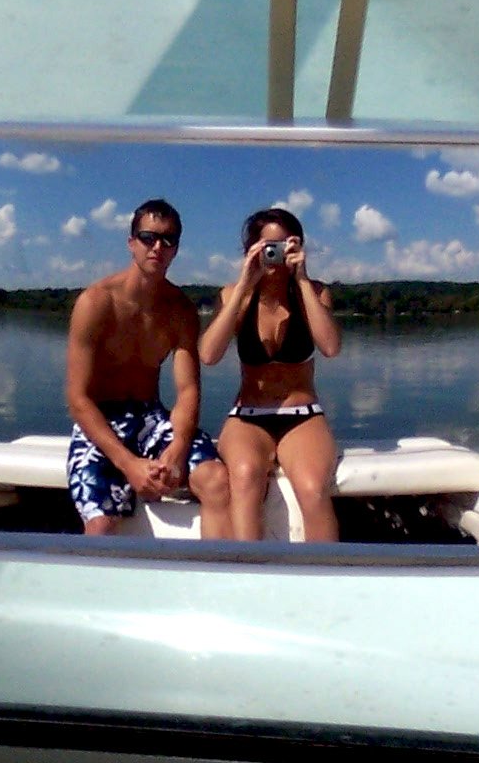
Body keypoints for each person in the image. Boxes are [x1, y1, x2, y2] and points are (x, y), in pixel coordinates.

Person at [64, 200, 234, 539]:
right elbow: (77, 397)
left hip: (151, 418)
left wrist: (178, 448)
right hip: (100, 421)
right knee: (100, 525)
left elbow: (188, 390)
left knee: (215, 480)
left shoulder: (180, 310)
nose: (158, 247)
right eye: (148, 237)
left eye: (168, 240)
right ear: (131, 243)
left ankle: (215, 580)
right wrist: (128, 465)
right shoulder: (96, 303)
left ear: (176, 249)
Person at [198, 205, 342, 542]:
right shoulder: (233, 295)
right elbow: (208, 354)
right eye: (267, 248)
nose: (275, 256)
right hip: (249, 415)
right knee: (245, 477)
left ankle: (327, 579)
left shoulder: (316, 292)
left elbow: (331, 346)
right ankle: (251, 575)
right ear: (251, 250)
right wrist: (246, 283)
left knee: (312, 488)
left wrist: (302, 279)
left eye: (284, 246)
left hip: (302, 414)